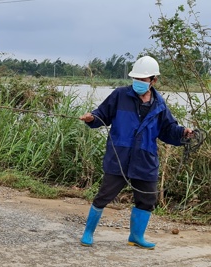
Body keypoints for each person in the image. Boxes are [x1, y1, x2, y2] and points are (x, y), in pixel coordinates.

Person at [78, 55, 193, 249]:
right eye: (136, 79)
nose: (138, 82)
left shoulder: (159, 104)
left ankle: (136, 236)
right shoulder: (120, 95)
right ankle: (88, 233)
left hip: (145, 158)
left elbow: (168, 130)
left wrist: (183, 133)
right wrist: (91, 118)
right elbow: (101, 115)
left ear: (153, 80)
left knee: (147, 199)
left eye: (143, 79)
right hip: (119, 157)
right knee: (104, 195)